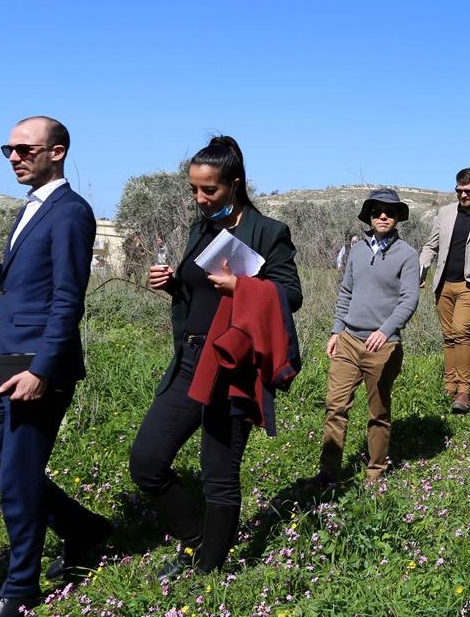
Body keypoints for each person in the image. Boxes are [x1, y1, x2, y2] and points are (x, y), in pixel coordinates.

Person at [0, 116, 110, 617]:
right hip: (3, 358)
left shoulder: (71, 213)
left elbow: (67, 299)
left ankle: (20, 588)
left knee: (18, 477)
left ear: (57, 152)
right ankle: (85, 528)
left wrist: (42, 368)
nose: (13, 158)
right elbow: (23, 285)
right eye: (9, 150)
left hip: (35, 364)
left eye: (24, 149)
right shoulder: (31, 208)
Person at [128, 136, 302, 582]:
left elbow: (291, 295)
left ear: (235, 184)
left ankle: (209, 570)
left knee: (218, 473)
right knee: (147, 461)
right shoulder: (200, 228)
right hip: (189, 359)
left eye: (209, 190)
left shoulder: (268, 231)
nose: (199, 199)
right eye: (194, 189)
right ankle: (196, 538)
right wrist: (172, 284)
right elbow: (198, 291)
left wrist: (242, 288)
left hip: (231, 365)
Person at [314, 189, 419, 486]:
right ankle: (328, 472)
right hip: (348, 340)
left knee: (378, 412)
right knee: (335, 406)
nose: (382, 216)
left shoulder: (408, 255)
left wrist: (385, 331)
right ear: (369, 216)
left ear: (397, 217)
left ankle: (375, 472)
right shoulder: (357, 250)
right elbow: (346, 292)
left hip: (383, 346)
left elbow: (409, 300)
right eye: (376, 211)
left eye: (389, 211)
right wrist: (336, 330)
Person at [419, 168, 470, 413]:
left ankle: (464, 390)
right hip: (444, 283)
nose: (463, 195)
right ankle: (450, 385)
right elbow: (431, 245)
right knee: (448, 335)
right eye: (459, 191)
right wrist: (421, 269)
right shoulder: (445, 213)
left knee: (461, 331)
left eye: (468, 191)